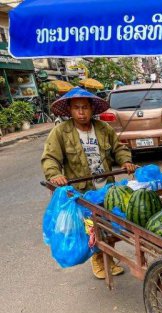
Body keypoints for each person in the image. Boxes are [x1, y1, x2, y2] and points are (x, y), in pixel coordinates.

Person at [41, 87, 136, 280]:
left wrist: (125, 160)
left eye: (85, 107)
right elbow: (50, 158)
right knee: (92, 228)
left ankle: (107, 256)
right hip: (82, 191)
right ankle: (99, 260)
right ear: (70, 110)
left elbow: (119, 149)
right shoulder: (61, 132)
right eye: (77, 108)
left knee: (109, 226)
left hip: (106, 188)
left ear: (92, 108)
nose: (81, 112)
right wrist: (54, 174)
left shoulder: (103, 129)